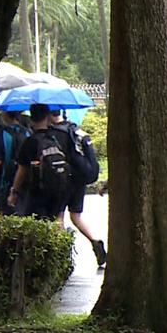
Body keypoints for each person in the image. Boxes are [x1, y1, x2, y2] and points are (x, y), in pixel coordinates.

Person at [50, 110, 106, 267]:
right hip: (79, 181)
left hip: (64, 180)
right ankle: (95, 241)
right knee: (76, 216)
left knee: (59, 217)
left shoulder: (56, 133)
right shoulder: (75, 130)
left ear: (50, 115)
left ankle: (60, 256)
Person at [7, 104, 70, 221]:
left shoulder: (30, 142)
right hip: (56, 191)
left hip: (36, 193)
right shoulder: (54, 139)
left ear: (31, 119)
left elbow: (22, 170)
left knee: (34, 224)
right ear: (48, 117)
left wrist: (14, 192)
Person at [0, 111, 30, 216]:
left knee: (4, 213)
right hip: (24, 182)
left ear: (5, 115)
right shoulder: (27, 133)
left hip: (5, 182)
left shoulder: (2, 134)